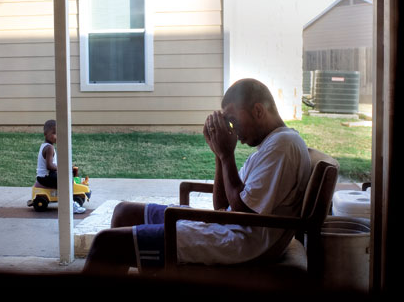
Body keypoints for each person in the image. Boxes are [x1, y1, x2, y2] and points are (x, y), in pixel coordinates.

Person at [82, 78, 311, 274]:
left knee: (106, 243)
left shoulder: (283, 145)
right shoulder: (272, 145)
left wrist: (227, 155)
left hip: (238, 245)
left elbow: (241, 211)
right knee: (124, 212)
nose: (233, 129)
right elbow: (223, 206)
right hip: (230, 229)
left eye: (234, 120)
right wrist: (219, 154)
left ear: (258, 111)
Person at [35, 119, 85, 214]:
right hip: (45, 177)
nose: (56, 136)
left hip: (45, 175)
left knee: (66, 175)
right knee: (66, 181)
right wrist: (62, 168)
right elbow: (49, 166)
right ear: (46, 133)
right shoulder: (49, 148)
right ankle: (70, 204)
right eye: (54, 133)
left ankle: (69, 201)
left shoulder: (46, 145)